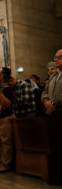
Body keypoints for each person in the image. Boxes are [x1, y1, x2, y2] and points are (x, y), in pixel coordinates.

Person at [41, 49, 62, 184]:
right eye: (55, 57)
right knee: (55, 145)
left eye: (59, 57)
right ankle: (56, 176)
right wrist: (46, 102)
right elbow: (44, 92)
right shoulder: (53, 76)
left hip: (61, 112)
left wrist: (53, 103)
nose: (55, 59)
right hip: (52, 115)